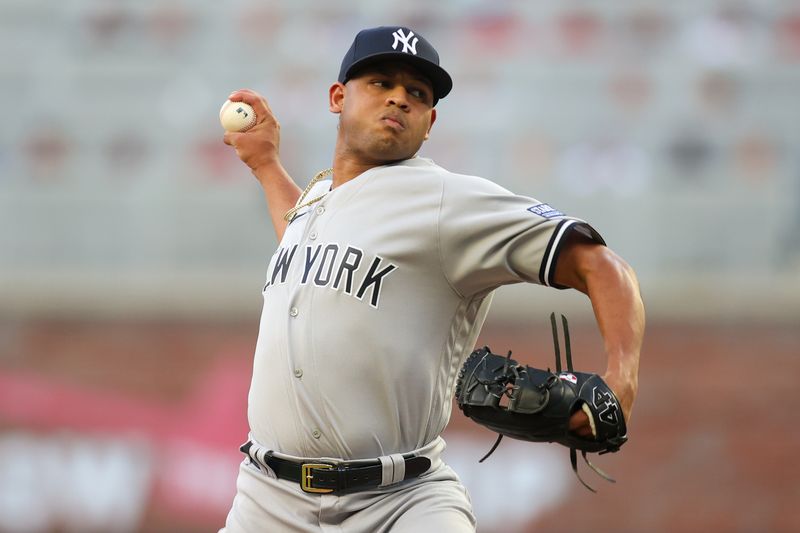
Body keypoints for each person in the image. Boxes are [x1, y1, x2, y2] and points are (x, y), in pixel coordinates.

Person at [220, 25, 644, 532]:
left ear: (430, 121)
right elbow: (304, 238)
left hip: (399, 503)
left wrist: (623, 381)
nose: (399, 98)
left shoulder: (447, 201)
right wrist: (267, 166)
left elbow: (601, 265)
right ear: (338, 97)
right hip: (267, 501)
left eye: (417, 94)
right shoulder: (318, 199)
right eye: (381, 83)